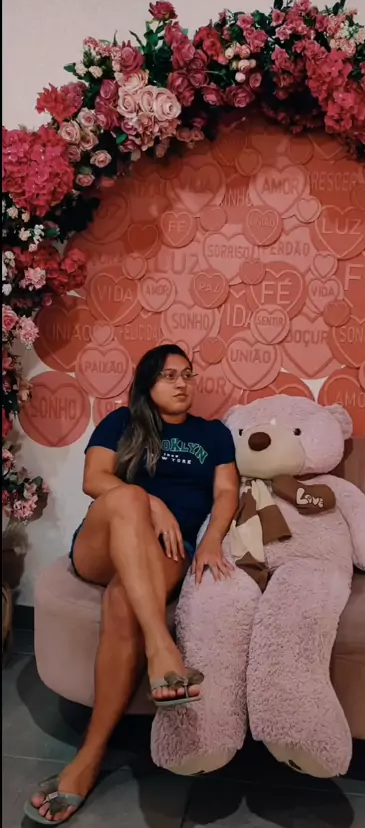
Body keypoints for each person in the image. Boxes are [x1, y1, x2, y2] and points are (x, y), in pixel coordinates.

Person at [27, 344, 239, 824]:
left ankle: (89, 757)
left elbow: (227, 492)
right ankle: (162, 647)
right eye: (169, 376)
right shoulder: (122, 423)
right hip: (103, 545)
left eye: (187, 374)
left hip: (169, 551)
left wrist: (211, 541)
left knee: (124, 601)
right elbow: (95, 479)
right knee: (128, 500)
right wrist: (149, 502)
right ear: (147, 383)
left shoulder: (214, 434)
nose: (182, 383)